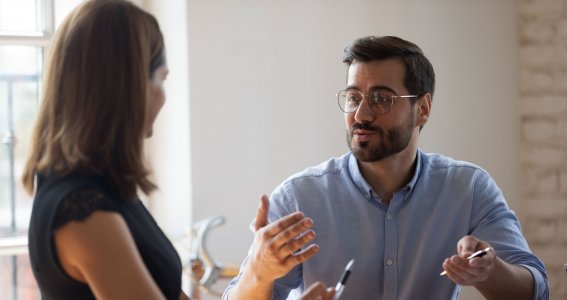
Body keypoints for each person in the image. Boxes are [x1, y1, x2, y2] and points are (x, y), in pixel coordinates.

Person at [21, 1, 334, 299]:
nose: (163, 97)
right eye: (161, 78)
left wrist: (260, 271)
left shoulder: (104, 194)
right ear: (128, 87)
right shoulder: (84, 212)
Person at [223, 36, 549, 300]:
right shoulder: (299, 198)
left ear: (422, 109)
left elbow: (535, 290)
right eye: (353, 97)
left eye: (381, 99)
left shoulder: (468, 188)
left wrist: (490, 271)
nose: (361, 114)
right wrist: (258, 272)